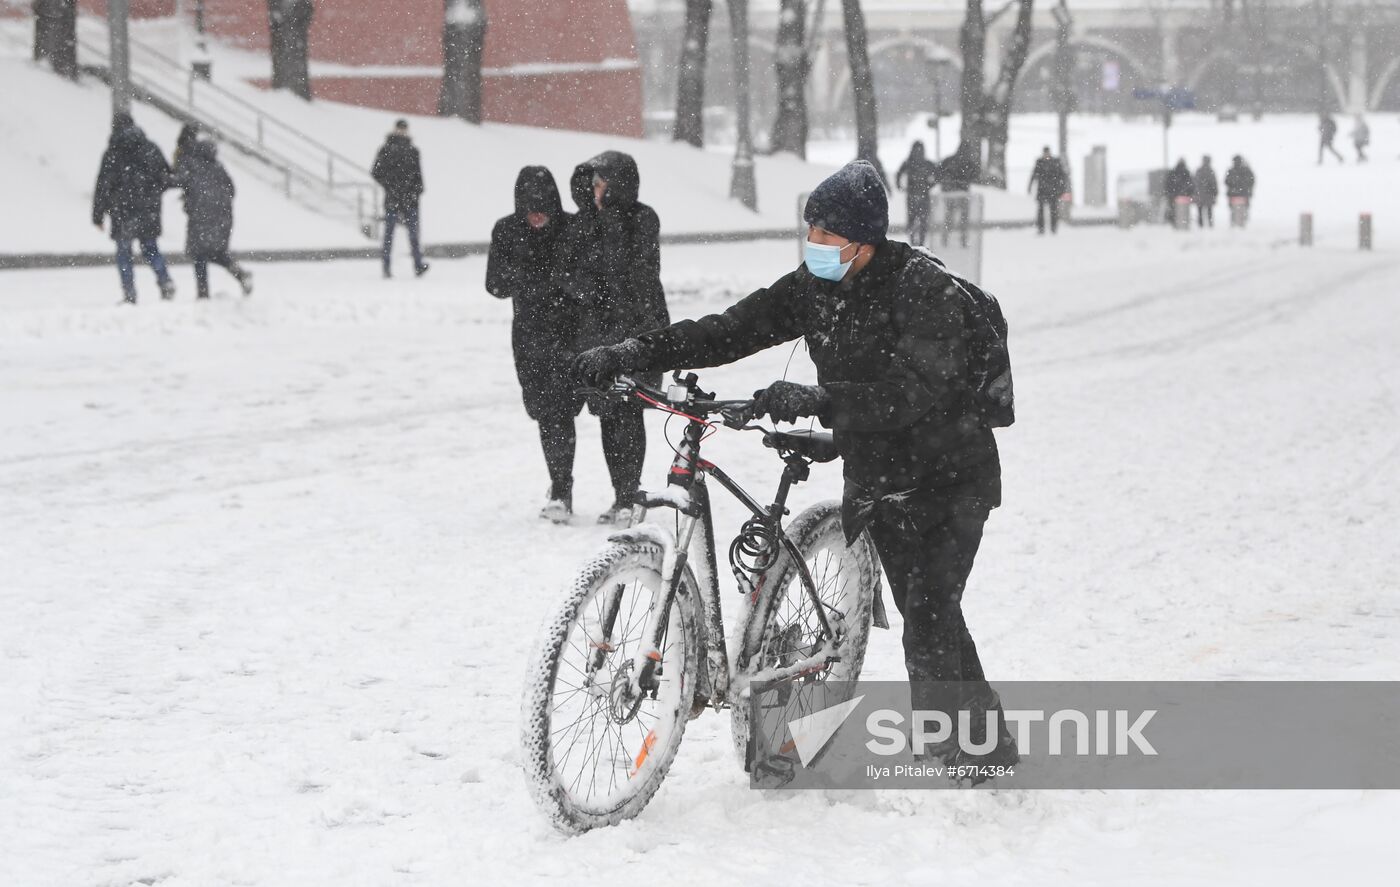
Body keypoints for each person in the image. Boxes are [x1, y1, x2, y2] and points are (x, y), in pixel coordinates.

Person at [573, 160, 1018, 776]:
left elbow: (915, 392)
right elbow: (729, 331)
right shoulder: (813, 288)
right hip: (878, 473)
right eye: (811, 233)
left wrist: (821, 402)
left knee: (930, 609)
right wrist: (637, 351)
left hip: (950, 474)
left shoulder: (921, 291)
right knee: (931, 611)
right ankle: (983, 739)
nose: (816, 248)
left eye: (829, 238)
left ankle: (961, 759)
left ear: (865, 241)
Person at [553, 151, 670, 524]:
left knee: (630, 411)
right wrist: (588, 290)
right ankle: (620, 494)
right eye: (593, 184)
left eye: (601, 183)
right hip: (597, 332)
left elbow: (637, 273)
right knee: (607, 414)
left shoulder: (642, 218)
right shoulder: (585, 223)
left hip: (637, 329)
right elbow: (566, 272)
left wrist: (609, 225)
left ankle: (629, 495)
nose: (595, 191)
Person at [486, 166, 580, 523]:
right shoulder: (507, 230)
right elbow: (494, 284)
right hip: (529, 336)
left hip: (572, 335)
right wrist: (531, 275)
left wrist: (556, 284)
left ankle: (582, 490)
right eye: (530, 208)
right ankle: (560, 485)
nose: (537, 215)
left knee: (568, 411)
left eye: (543, 207)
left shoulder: (571, 228)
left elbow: (585, 281)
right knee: (546, 413)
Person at [92, 113, 175, 305]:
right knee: (150, 248)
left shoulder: (113, 152)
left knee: (124, 252)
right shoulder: (150, 148)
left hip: (122, 209)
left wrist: (98, 215)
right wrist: (152, 193)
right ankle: (165, 281)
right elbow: (166, 177)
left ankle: (129, 293)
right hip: (148, 208)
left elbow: (103, 184)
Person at [171, 136, 252, 300]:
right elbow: (232, 190)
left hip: (201, 217)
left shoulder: (194, 168)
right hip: (223, 218)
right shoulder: (219, 168)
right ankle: (240, 274)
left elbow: (178, 181)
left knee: (199, 254)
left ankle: (203, 293)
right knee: (218, 252)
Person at [371, 119, 428, 279]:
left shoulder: (412, 151)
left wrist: (417, 190)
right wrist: (390, 185)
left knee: (413, 235)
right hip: (395, 197)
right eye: (400, 128)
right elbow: (376, 172)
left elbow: (418, 174)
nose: (402, 131)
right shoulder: (386, 149)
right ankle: (386, 266)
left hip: (409, 198)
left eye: (404, 129)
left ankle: (418, 265)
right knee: (389, 234)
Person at [894, 141, 938, 247]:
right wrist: (929, 185)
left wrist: (930, 185)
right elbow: (899, 174)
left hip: (918, 195)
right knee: (918, 220)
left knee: (918, 220)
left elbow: (937, 174)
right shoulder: (917, 163)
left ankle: (917, 243)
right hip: (916, 195)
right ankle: (916, 243)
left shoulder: (913, 163)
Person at [935, 144, 977, 248]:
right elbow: (976, 174)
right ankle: (954, 239)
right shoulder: (962, 162)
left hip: (958, 194)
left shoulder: (952, 161)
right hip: (956, 194)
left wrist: (946, 184)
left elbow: (939, 172)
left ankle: (952, 239)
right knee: (956, 218)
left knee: (955, 218)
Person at [1027, 146, 1068, 235]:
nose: (1046, 155)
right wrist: (1029, 186)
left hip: (1053, 191)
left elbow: (1062, 176)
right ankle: (1041, 229)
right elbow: (1034, 174)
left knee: (1053, 210)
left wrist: (1062, 188)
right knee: (1040, 210)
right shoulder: (1039, 162)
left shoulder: (1055, 162)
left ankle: (1053, 228)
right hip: (1042, 190)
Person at [1224, 155, 1256, 228]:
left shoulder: (1231, 170)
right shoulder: (1246, 170)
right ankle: (1242, 224)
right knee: (1242, 210)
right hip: (1243, 194)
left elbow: (1226, 181)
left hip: (1234, 194)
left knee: (1234, 211)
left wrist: (1234, 185)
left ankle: (1234, 224)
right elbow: (1251, 181)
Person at [1164, 158, 1194, 227]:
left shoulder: (1173, 171)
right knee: (1184, 211)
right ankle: (1184, 223)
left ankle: (1174, 223)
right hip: (1184, 196)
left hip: (1173, 195)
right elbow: (1190, 184)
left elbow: (1168, 183)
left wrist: (1169, 193)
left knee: (1173, 210)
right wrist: (1188, 193)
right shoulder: (1186, 172)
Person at [1193, 155, 1219, 229]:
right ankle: (1210, 225)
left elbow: (1195, 183)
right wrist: (1215, 193)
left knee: (1200, 211)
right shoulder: (1211, 171)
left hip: (1200, 195)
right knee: (1209, 211)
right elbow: (1214, 183)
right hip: (1208, 195)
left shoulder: (1199, 170)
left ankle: (1201, 225)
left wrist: (1195, 193)